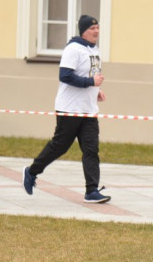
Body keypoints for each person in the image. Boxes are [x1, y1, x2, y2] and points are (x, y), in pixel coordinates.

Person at [23, 15, 111, 203]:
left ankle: (92, 190)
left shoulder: (95, 50)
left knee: (91, 149)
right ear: (83, 31)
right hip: (69, 109)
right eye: (92, 28)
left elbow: (90, 75)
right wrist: (90, 83)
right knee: (60, 146)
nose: (96, 31)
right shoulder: (73, 49)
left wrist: (97, 90)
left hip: (88, 110)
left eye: (97, 27)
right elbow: (65, 76)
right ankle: (31, 172)